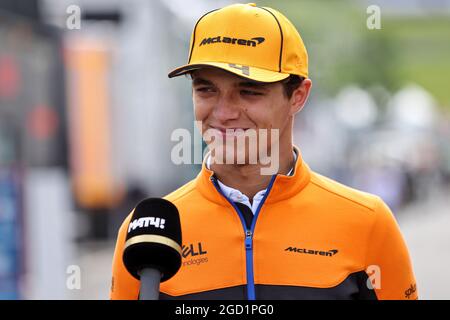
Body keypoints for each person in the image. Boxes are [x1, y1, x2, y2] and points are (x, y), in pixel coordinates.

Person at [110, 3, 418, 300]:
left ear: (298, 96)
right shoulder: (146, 234)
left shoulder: (367, 223)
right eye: (206, 89)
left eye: (248, 91)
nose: (224, 112)